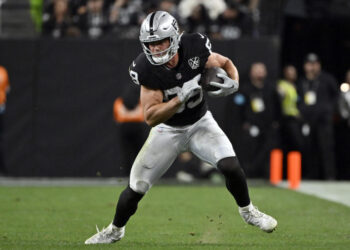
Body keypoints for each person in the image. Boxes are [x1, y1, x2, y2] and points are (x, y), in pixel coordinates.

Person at [85, 11, 277, 245]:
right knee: (136, 189)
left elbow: (225, 63)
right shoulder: (146, 68)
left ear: (174, 37)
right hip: (167, 131)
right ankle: (115, 230)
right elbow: (151, 117)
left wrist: (233, 83)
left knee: (231, 165)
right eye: (151, 44)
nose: (155, 49)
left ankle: (248, 212)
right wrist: (178, 99)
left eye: (160, 42)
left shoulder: (194, 46)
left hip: (200, 123)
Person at [298, 53, 339, 180]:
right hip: (308, 121)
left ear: (319, 65)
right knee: (310, 149)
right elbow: (298, 99)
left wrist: (329, 110)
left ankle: (330, 176)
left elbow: (336, 96)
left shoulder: (327, 79)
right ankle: (312, 176)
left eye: (314, 64)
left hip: (323, 120)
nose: (312, 67)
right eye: (309, 64)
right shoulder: (302, 81)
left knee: (326, 148)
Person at [238, 62, 280, 178]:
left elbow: (278, 106)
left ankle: (267, 176)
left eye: (262, 70)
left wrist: (276, 122)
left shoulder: (271, 88)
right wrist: (244, 123)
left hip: (268, 127)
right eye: (257, 70)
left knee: (268, 150)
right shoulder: (245, 89)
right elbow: (239, 109)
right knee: (251, 150)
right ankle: (250, 174)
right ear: (251, 73)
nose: (259, 72)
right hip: (252, 127)